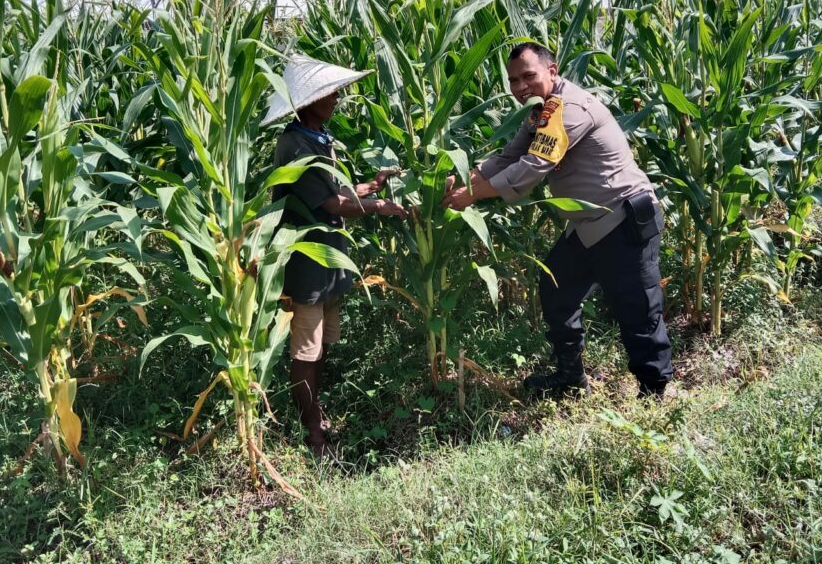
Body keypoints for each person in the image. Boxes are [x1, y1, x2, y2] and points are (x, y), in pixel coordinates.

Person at [442, 42, 672, 398]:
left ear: (552, 71)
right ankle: (570, 377)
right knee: (556, 289)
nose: (520, 87)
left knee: (638, 310)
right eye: (513, 80)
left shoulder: (570, 109)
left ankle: (655, 392)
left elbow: (534, 165)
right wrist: (466, 175)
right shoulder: (540, 113)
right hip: (587, 226)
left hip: (622, 219)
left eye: (528, 76)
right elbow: (509, 156)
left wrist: (472, 195)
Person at [262, 54, 406, 457]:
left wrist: (369, 187)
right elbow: (330, 205)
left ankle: (315, 409)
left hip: (326, 260)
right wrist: (381, 208)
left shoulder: (317, 137)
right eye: (327, 92)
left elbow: (335, 194)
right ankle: (312, 431)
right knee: (306, 350)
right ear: (306, 100)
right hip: (307, 264)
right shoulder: (295, 145)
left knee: (321, 344)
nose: (336, 98)